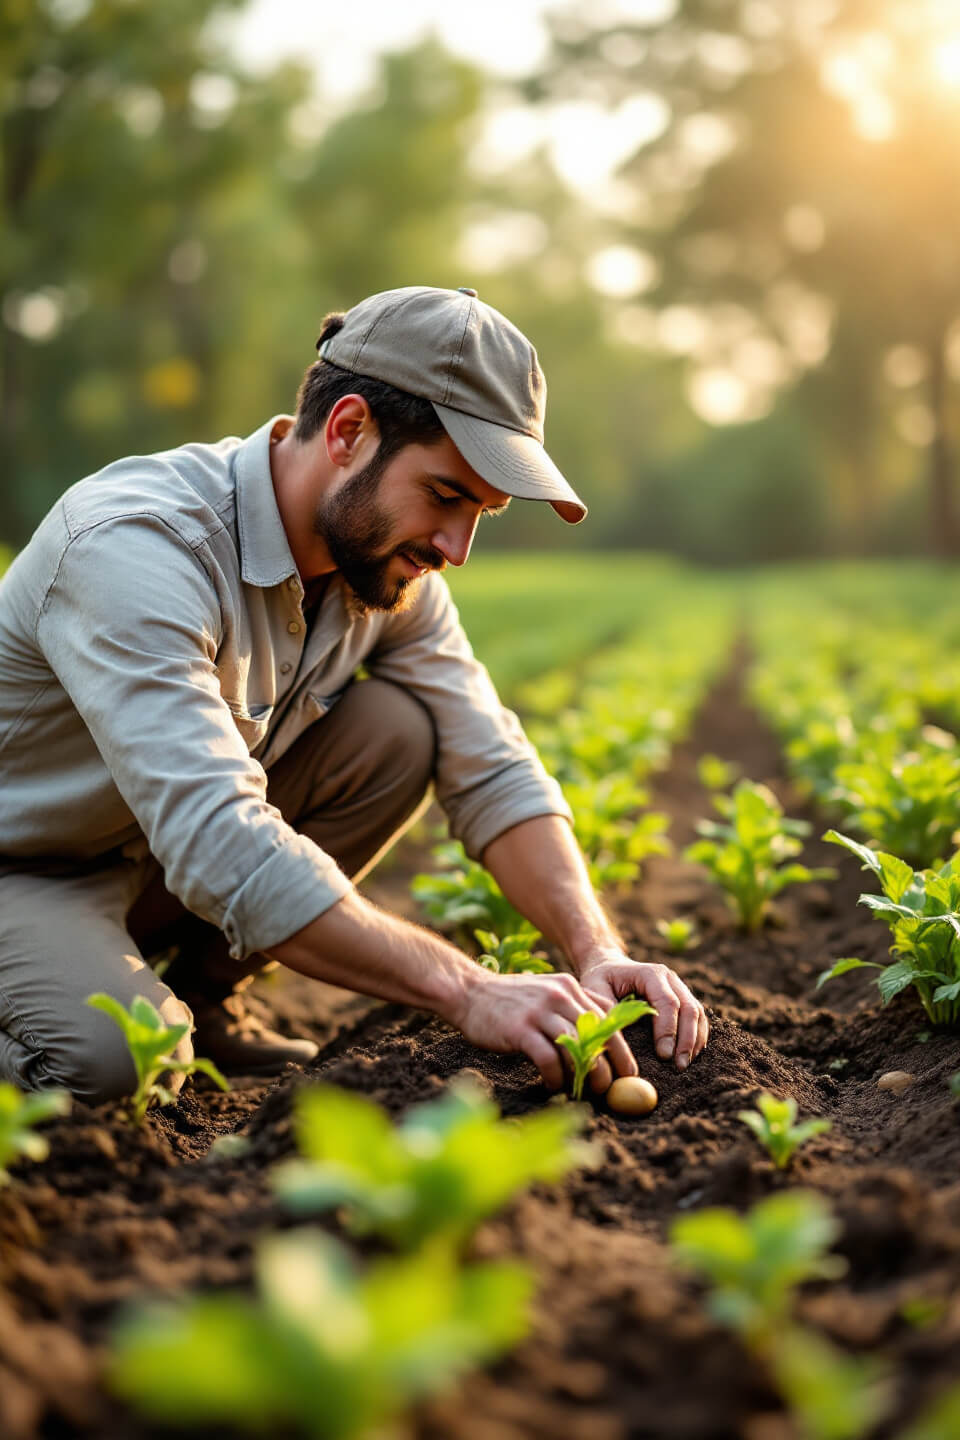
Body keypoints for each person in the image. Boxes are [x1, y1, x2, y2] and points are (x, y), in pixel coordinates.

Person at [0, 284, 709, 1104]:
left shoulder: (380, 567)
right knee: (119, 1062)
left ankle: (203, 997)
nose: (456, 547)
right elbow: (216, 840)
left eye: (485, 511)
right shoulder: (137, 548)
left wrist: (595, 948)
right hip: (27, 868)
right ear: (347, 432)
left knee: (400, 732)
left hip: (141, 862)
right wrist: (469, 990)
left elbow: (490, 761)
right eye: (446, 495)